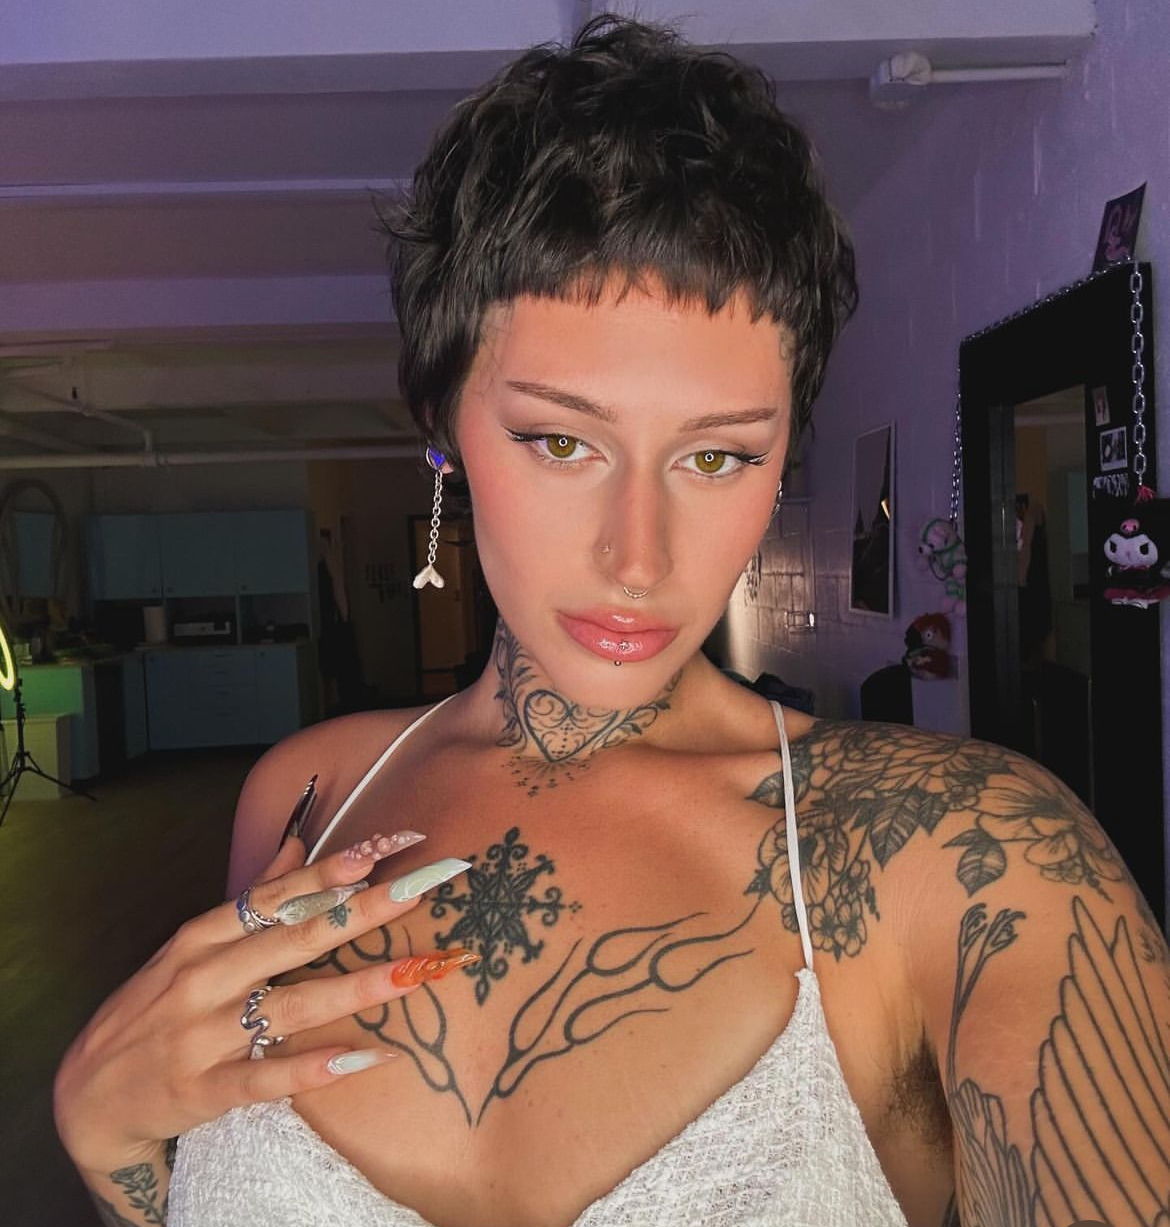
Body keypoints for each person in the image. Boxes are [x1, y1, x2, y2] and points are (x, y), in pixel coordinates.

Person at [55, 16, 1170, 1227]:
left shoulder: (969, 854)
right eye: (561, 442)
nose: (637, 558)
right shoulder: (305, 795)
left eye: (717, 457)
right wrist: (111, 1151)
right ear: (444, 427)